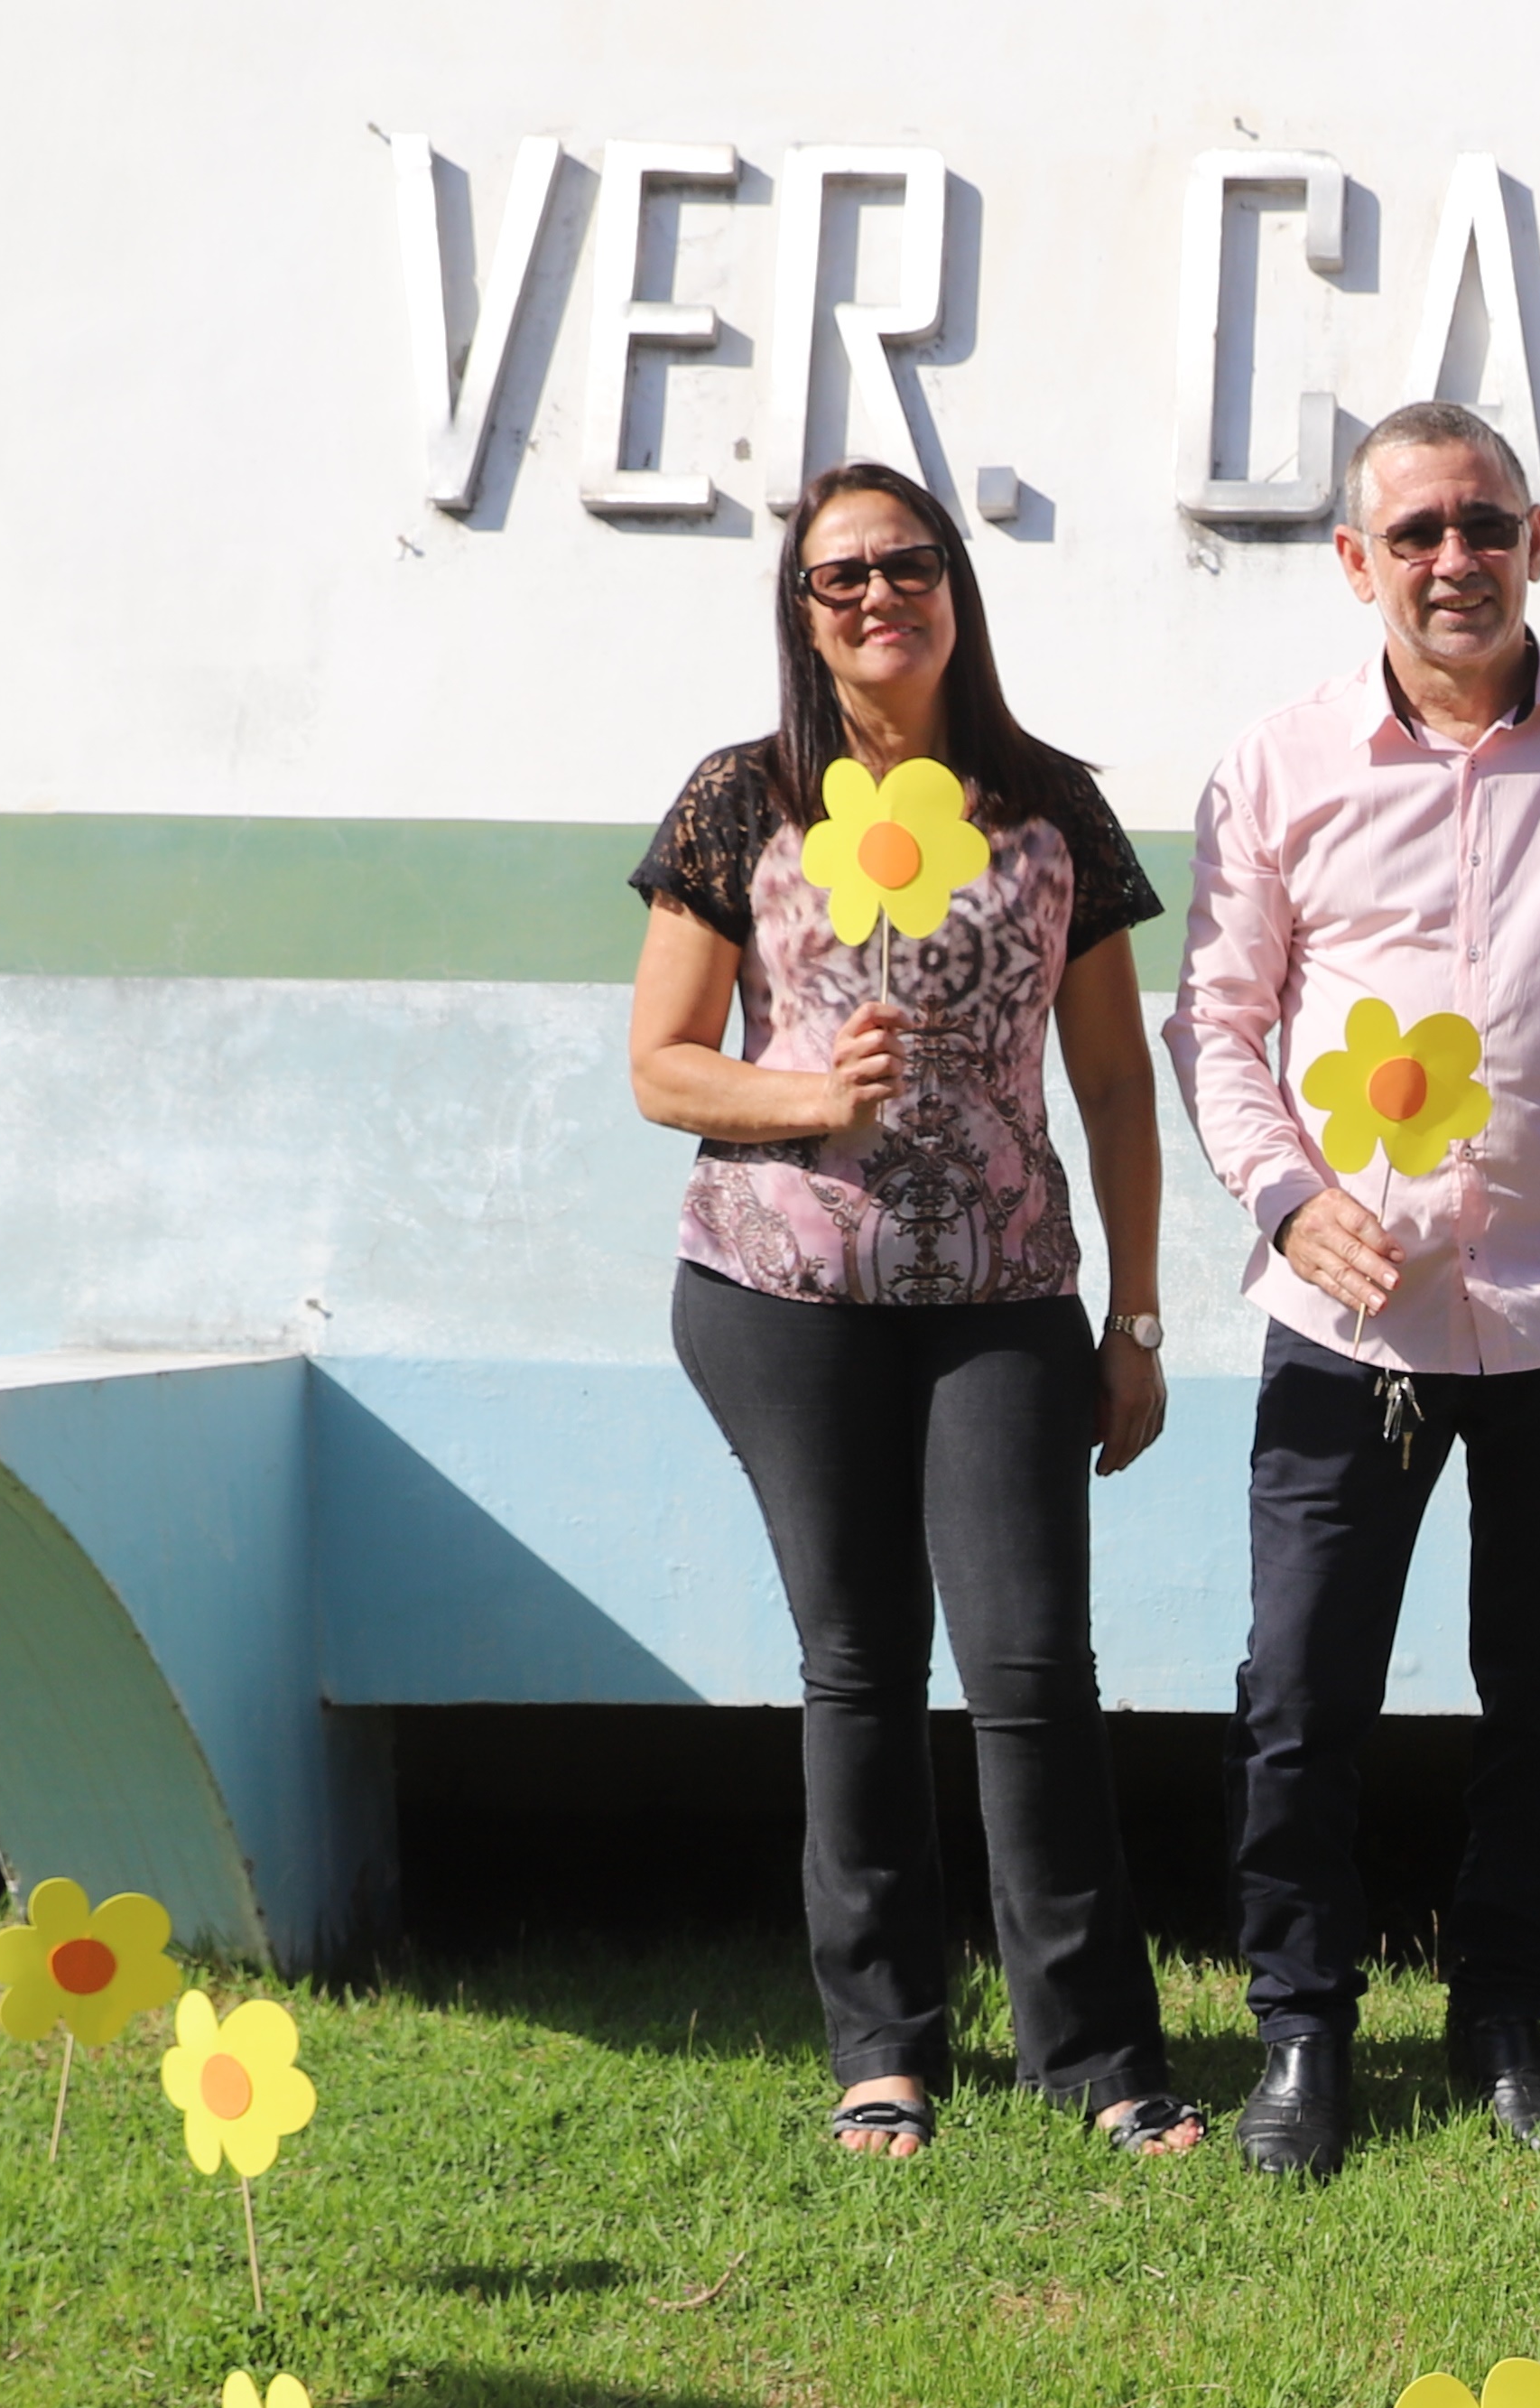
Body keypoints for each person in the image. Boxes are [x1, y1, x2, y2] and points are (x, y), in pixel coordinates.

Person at [1164, 404, 1540, 2180]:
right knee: (1298, 1694)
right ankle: (1301, 2036)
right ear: (1357, 561)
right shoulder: (1276, 767)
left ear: (1536, 538)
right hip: (1348, 1329)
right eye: (1415, 530)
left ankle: (1504, 2022)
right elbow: (1215, 1024)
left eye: (1484, 525)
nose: (1453, 559)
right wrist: (1284, 1201)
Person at [626, 462, 1200, 2162]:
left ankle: (1095, 2057)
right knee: (858, 1665)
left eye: (909, 564)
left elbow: (1109, 1086)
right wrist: (808, 1096)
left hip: (1006, 1293)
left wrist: (1139, 1320)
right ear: (803, 616)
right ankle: (883, 2049)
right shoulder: (744, 801)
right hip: (781, 1290)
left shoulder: (1049, 810)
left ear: (957, 585)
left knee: (1031, 1668)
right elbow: (661, 1069)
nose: (879, 596)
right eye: (840, 577)